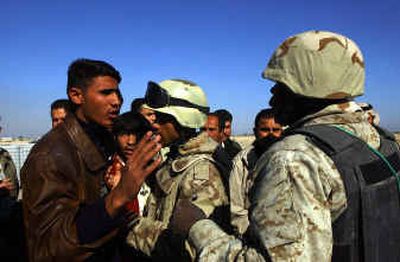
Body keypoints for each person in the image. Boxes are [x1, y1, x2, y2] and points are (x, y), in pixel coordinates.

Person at [169, 30, 400, 261]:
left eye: (280, 83)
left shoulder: (293, 158)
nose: (272, 95)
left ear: (307, 83)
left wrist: (197, 229)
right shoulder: (378, 139)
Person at [21, 58, 161, 260]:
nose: (117, 101)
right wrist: (119, 196)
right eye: (106, 92)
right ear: (77, 95)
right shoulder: (48, 157)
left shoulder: (102, 139)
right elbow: (49, 248)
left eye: (117, 92)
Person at [125, 79, 228, 260]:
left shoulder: (201, 173)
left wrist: (131, 225)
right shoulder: (177, 157)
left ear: (183, 121)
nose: (154, 124)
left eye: (162, 118)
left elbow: (192, 248)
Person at [229, 108, 282, 236]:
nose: (270, 134)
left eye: (275, 130)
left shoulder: (291, 159)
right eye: (265, 130)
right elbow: (237, 210)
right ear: (255, 132)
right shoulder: (241, 163)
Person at [106, 111, 153, 215]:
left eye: (137, 135)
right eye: (124, 134)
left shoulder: (155, 170)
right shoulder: (107, 172)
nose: (131, 141)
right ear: (115, 137)